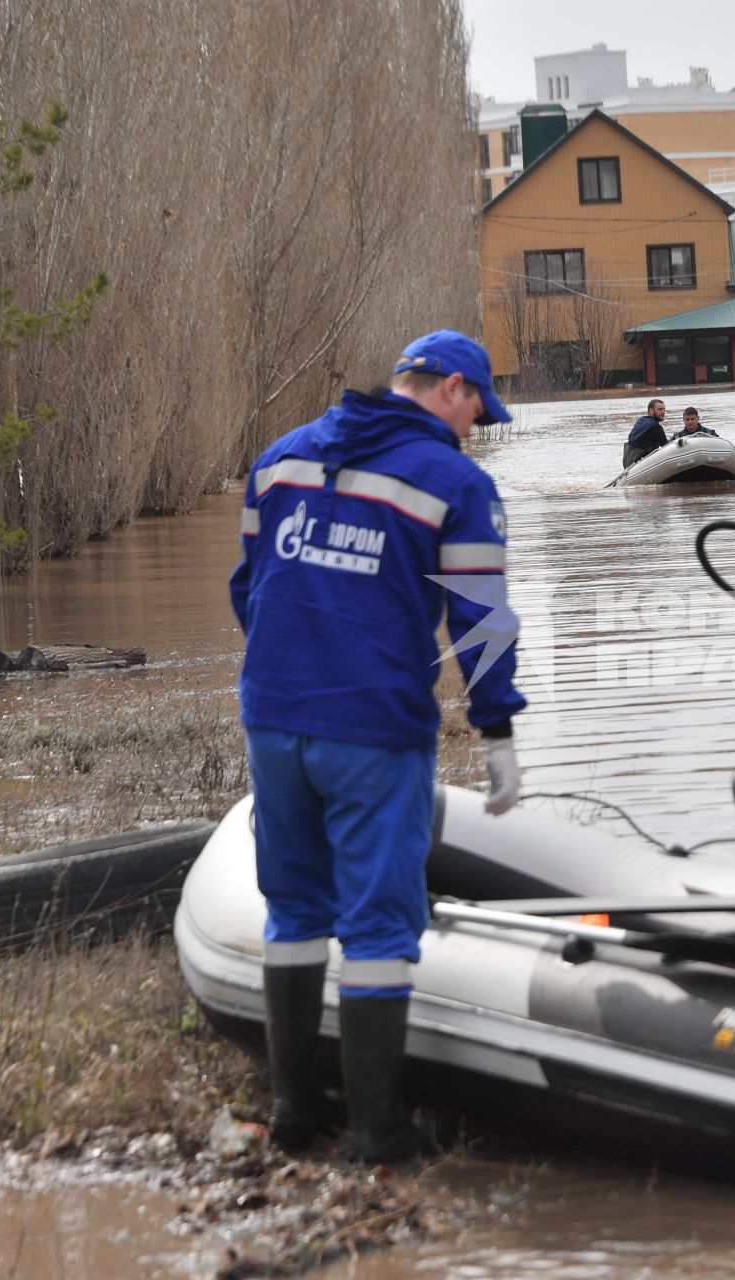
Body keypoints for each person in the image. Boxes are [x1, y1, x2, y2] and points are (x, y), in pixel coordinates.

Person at [229, 329, 527, 1162]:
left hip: (273, 718)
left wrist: (290, 672)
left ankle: (294, 1114)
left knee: (292, 908)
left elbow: (249, 587)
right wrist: (498, 729)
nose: (476, 429)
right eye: (478, 412)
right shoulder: (455, 483)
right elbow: (482, 621)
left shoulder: (282, 456)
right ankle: (378, 1132)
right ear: (454, 391)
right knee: (378, 924)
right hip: (371, 728)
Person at [623, 398, 669, 467]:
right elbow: (666, 446)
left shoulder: (641, 420)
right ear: (651, 410)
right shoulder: (656, 427)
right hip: (639, 464)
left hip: (628, 461)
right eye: (660, 409)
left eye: (664, 409)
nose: (663, 412)